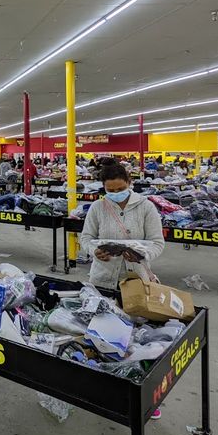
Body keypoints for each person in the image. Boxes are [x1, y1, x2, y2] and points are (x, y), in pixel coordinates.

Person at [80, 162, 165, 414]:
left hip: (135, 281)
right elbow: (86, 238)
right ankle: (102, 388)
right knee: (100, 335)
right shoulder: (98, 207)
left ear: (129, 183)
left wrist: (141, 254)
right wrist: (94, 251)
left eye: (120, 188)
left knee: (136, 340)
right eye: (110, 190)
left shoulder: (146, 207)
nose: (115, 193)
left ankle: (144, 397)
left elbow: (157, 243)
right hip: (102, 279)